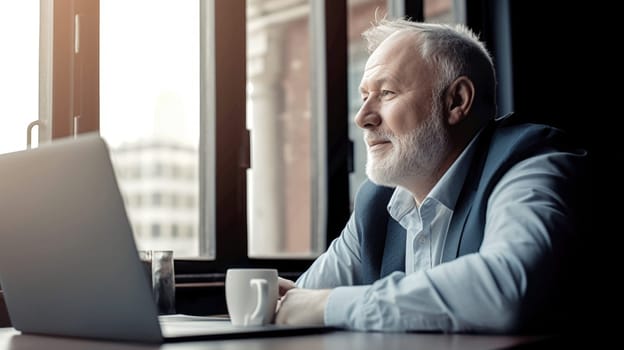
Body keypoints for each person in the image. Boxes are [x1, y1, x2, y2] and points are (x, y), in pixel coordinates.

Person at [274, 18, 588, 333]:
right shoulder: (376, 201)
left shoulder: (533, 165)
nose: (362, 117)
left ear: (457, 101)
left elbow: (511, 289)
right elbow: (300, 303)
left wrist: (329, 305)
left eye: (386, 92)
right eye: (363, 96)